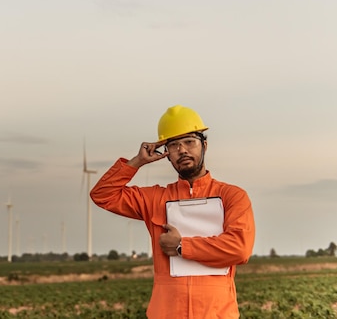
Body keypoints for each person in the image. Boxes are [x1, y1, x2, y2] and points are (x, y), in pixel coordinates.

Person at [90, 105, 255, 319]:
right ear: (166, 154)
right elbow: (103, 195)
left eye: (189, 142)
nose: (182, 150)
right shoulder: (155, 199)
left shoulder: (232, 196)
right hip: (166, 313)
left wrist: (181, 246)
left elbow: (239, 249)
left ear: (204, 145)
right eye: (174, 145)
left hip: (217, 313)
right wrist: (137, 162)